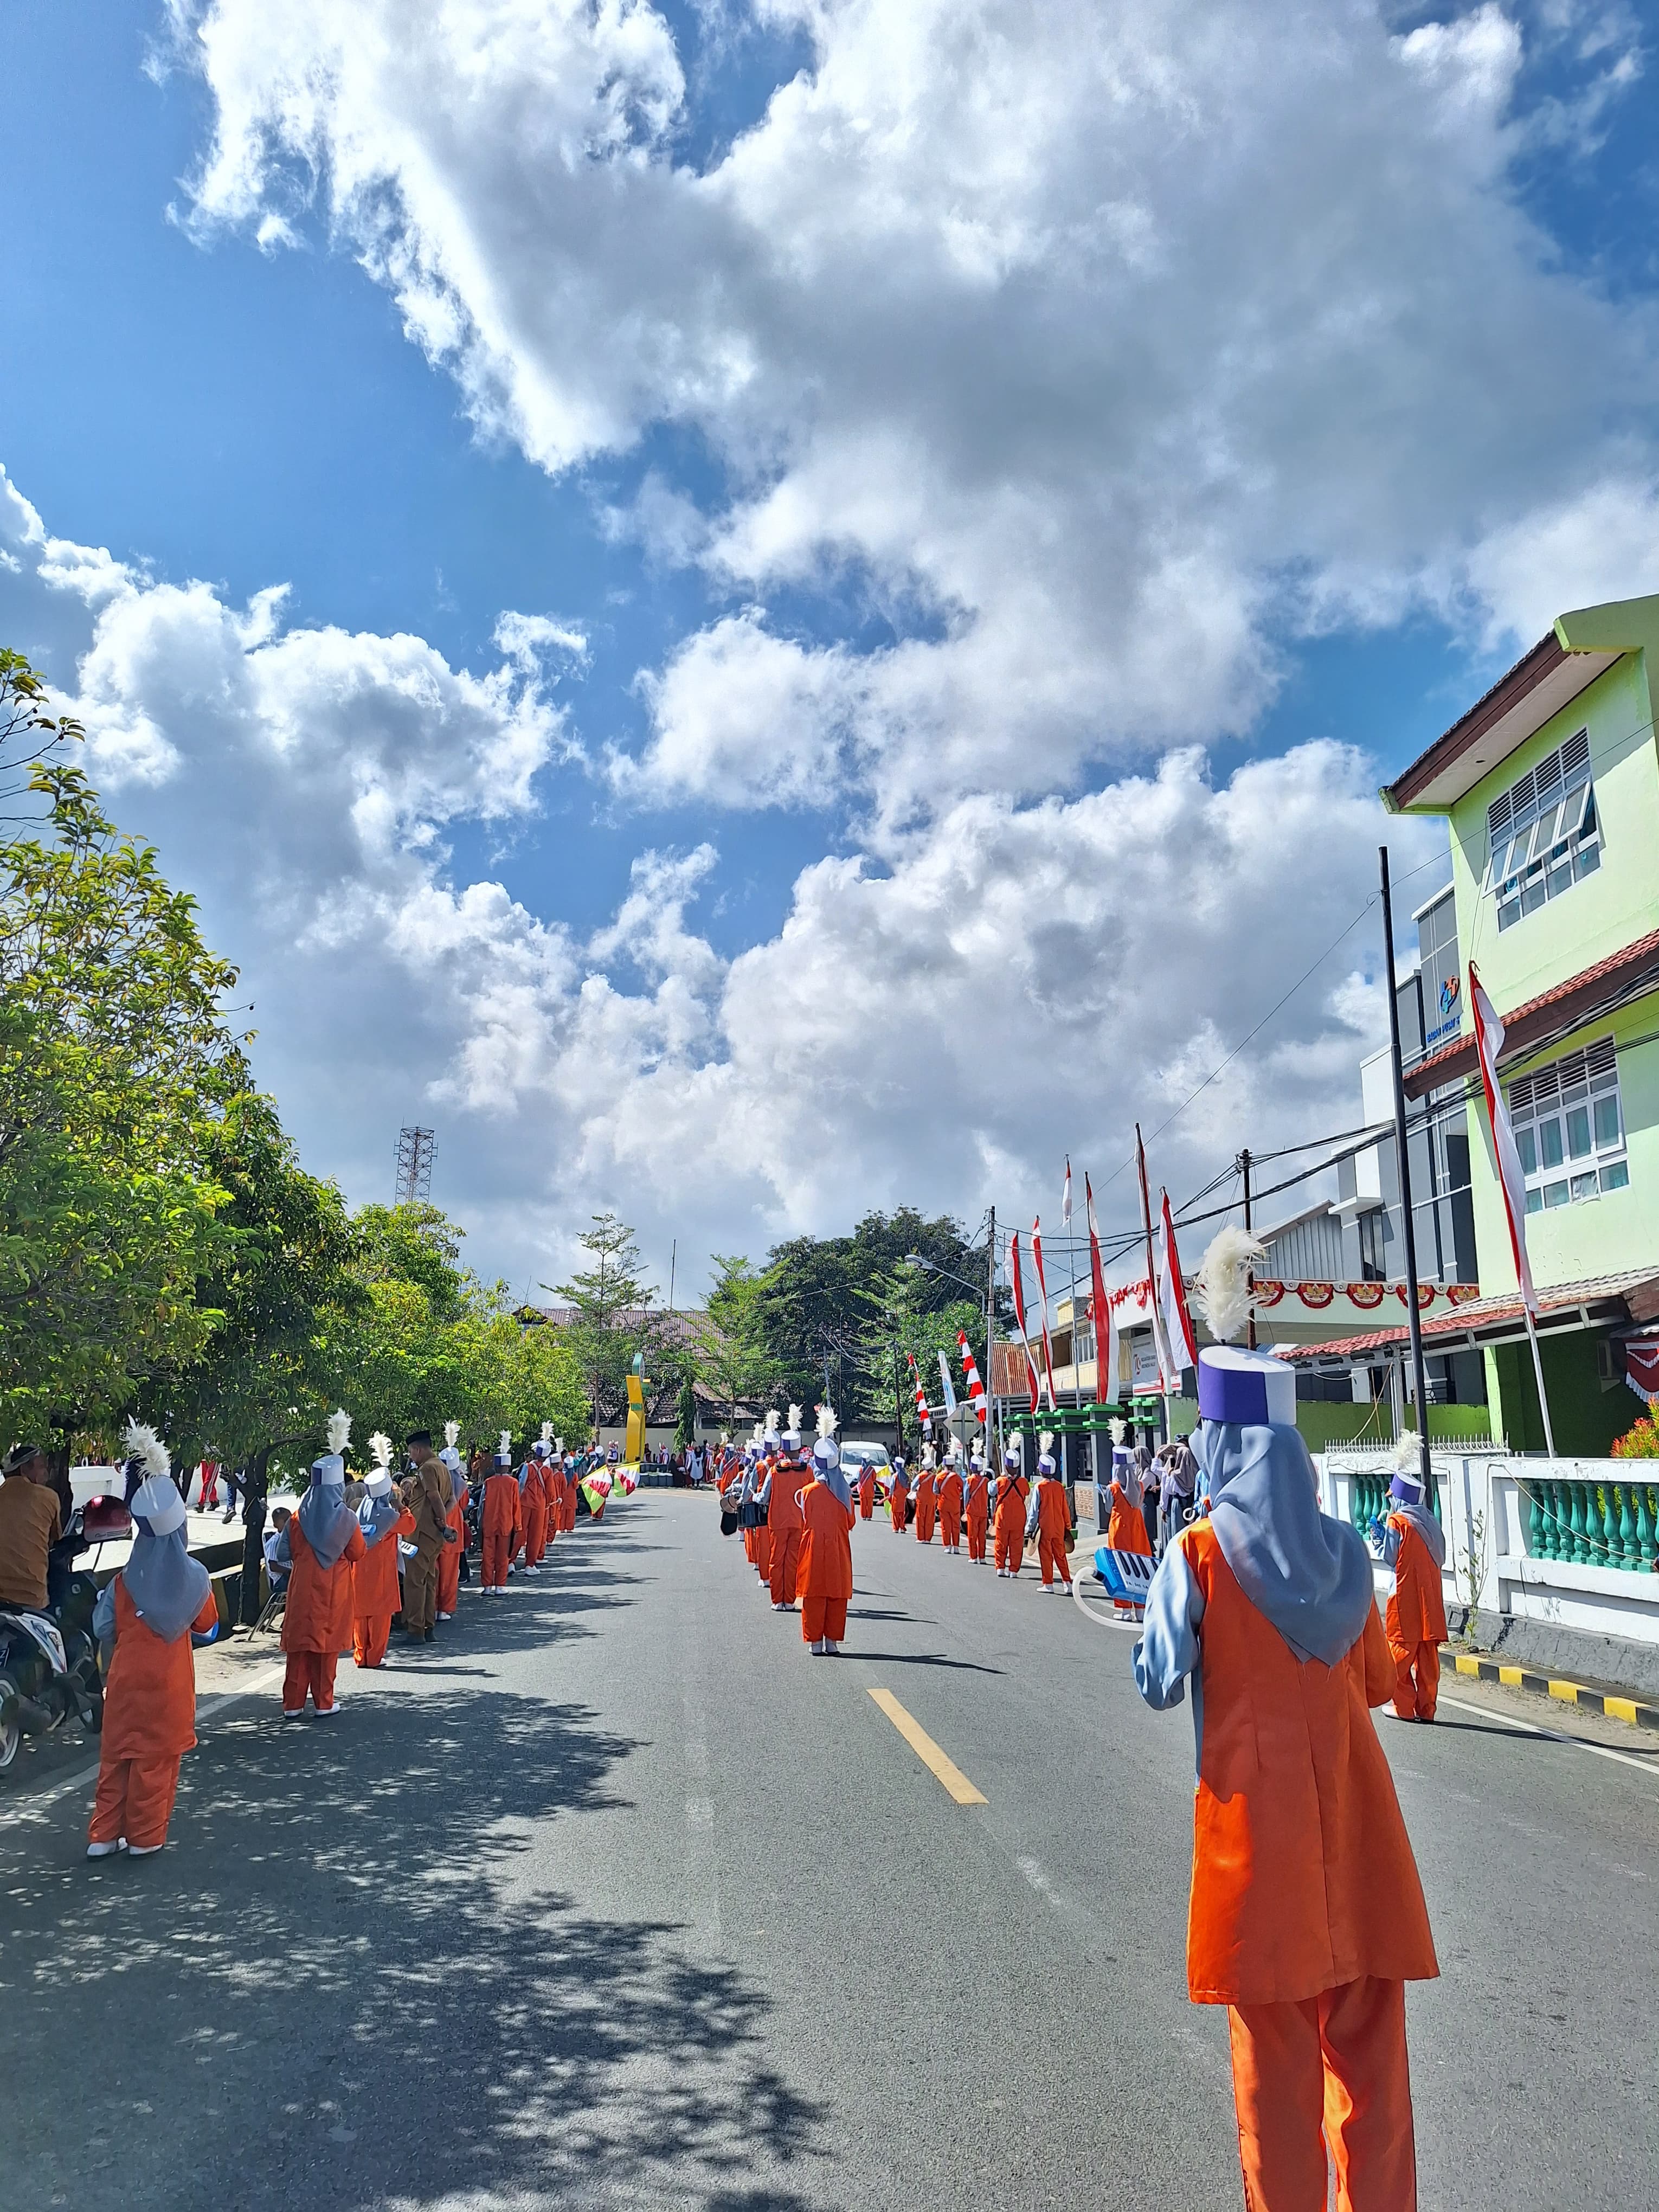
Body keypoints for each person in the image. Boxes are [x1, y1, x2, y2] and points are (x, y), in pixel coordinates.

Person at [1134, 1333, 1437, 2212]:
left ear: (1223, 1448)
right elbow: (1379, 1683)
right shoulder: (1347, 1550)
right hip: (1364, 1848)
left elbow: (1156, 1682)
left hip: (1260, 1865)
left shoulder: (1195, 1553)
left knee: (1276, 2088)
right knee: (1377, 2087)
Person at [87, 1435, 220, 1859]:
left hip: (125, 1680)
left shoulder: (124, 1581)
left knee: (117, 1760)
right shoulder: (196, 1577)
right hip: (170, 1684)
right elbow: (208, 1626)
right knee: (155, 1765)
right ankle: (145, 1837)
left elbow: (101, 1625)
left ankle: (103, 1836)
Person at [276, 1413, 366, 1718]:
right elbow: (357, 1552)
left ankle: (292, 1704)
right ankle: (324, 1702)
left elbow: (283, 1550)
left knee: (299, 1645)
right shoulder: (347, 1519)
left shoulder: (297, 1517)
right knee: (326, 1649)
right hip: (333, 1588)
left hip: (302, 1586)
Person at [1374, 1449, 1448, 1724]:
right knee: (1428, 1657)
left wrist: (1379, 1539)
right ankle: (1427, 1710)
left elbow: (1391, 1559)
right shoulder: (1429, 1522)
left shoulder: (1398, 1522)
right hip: (1430, 1602)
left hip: (1405, 1599)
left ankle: (1403, 1707)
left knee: (1400, 1654)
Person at [352, 1439, 415, 1668]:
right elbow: (409, 1525)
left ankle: (360, 1657)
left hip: (359, 1569)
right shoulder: (389, 1516)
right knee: (380, 1616)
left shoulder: (362, 1509)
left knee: (360, 1616)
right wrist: (400, 1504)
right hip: (381, 1572)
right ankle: (375, 1657)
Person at [798, 1406, 855, 1655]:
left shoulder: (806, 1492)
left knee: (814, 1594)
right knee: (836, 1595)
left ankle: (814, 1642)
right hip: (838, 1549)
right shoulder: (846, 1493)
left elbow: (804, 1520)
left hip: (813, 1548)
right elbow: (851, 1523)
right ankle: (832, 1641)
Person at [402, 1430, 454, 1639]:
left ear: (418, 1449)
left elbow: (434, 1498)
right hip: (434, 1535)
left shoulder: (426, 1469)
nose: (410, 1457)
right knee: (430, 1579)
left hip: (420, 1534)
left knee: (415, 1581)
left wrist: (441, 1522)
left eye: (411, 1452)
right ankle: (428, 1626)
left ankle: (416, 1630)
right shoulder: (443, 1467)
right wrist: (442, 1524)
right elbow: (452, 1500)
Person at [0, 1441, 61, 1612]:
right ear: (24, 1470)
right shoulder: (49, 1497)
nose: (46, 1473)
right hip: (32, 1598)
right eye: (42, 1467)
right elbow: (53, 1539)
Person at [762, 1407, 809, 1612]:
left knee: (776, 1560)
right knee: (792, 1562)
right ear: (799, 1449)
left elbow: (763, 1497)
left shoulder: (774, 1471)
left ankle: (777, 1600)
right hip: (798, 1523)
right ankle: (789, 1600)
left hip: (777, 1522)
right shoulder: (808, 1472)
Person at [1034, 1434, 1073, 1592]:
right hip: (1059, 1527)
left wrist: (1030, 1528)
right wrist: (1067, 1525)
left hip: (1045, 1527)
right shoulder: (1059, 1487)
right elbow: (1065, 1507)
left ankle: (1048, 1584)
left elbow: (1034, 1511)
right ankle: (1068, 1583)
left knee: (1046, 1555)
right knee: (1061, 1555)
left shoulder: (1039, 1487)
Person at [481, 1436, 520, 1593]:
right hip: (506, 1523)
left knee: (488, 1556)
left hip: (489, 1523)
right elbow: (516, 1506)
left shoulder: (488, 1482)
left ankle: (487, 1587)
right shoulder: (513, 1483)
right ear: (508, 1466)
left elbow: (482, 1507)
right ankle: (500, 1586)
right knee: (503, 1556)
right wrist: (518, 1525)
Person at [436, 1423, 467, 1617]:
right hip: (453, 1533)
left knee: (436, 1572)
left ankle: (432, 1606)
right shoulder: (461, 1484)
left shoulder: (435, 1482)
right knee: (449, 1575)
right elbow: (463, 1505)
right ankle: (445, 1608)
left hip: (435, 1531)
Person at [1104, 1446, 1154, 1559]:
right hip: (1137, 1525)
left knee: (1121, 1557)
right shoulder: (1140, 1486)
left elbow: (1108, 1509)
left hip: (1119, 1525)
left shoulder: (1112, 1488)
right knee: (1138, 1554)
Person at [992, 1443, 1028, 1577]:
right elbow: (1027, 1492)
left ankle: (1000, 1567)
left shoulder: (1000, 1481)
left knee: (1001, 1543)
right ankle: (1013, 1570)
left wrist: (1002, 1477)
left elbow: (991, 1491)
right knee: (1016, 1546)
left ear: (1006, 1467)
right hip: (1019, 1518)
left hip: (1003, 1517)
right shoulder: (1024, 1482)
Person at [518, 1441, 550, 1575]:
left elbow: (521, 1484)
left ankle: (511, 1562)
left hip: (525, 1503)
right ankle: (530, 1565)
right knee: (535, 1536)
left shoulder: (527, 1467)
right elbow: (550, 1492)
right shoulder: (547, 1471)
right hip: (540, 1505)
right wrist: (548, 1504)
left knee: (520, 1532)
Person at [963, 1444, 991, 1565]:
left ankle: (973, 1556)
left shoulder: (969, 1480)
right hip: (983, 1511)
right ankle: (982, 1557)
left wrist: (965, 1509)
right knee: (982, 1536)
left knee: (972, 1535)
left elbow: (966, 1496)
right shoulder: (986, 1481)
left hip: (972, 1511)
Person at [938, 1438, 964, 1554]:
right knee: (955, 1526)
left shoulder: (939, 1476)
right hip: (955, 1504)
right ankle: (956, 1546)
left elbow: (935, 1490)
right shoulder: (956, 1477)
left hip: (943, 1504)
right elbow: (963, 1488)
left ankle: (947, 1546)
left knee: (945, 1526)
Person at [914, 1445, 938, 1544]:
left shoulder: (920, 1476)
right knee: (930, 1520)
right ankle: (928, 1538)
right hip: (932, 1500)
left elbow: (913, 1487)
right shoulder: (935, 1477)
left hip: (921, 1500)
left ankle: (921, 1538)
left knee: (921, 1519)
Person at [888, 1454, 911, 1535]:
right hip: (904, 1495)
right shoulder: (906, 1476)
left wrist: (890, 1494)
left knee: (895, 1512)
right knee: (903, 1512)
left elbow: (892, 1486)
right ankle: (902, 1527)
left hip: (896, 1496)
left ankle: (896, 1528)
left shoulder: (895, 1476)